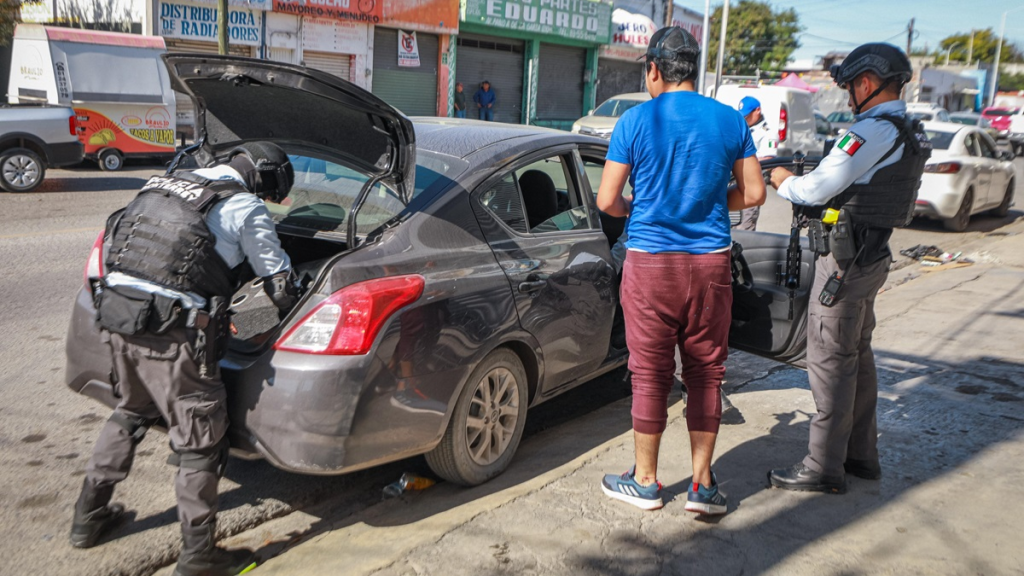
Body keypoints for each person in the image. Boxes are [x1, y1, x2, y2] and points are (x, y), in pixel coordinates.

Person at [70, 142, 302, 576]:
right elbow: (279, 284)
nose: (268, 201)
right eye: (271, 192)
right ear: (262, 178)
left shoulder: (161, 187)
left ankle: (88, 517)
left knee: (130, 413)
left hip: (119, 317)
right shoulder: (244, 207)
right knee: (200, 440)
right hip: (174, 337)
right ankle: (199, 556)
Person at [596, 26, 766, 514]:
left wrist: (642, 207)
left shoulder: (634, 120)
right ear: (693, 69)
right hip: (710, 264)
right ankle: (701, 486)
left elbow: (608, 200)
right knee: (706, 374)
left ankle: (646, 481)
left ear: (653, 69)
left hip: (650, 264)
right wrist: (710, 201)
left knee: (649, 373)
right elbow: (754, 194)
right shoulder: (731, 121)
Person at [766, 43, 930, 494]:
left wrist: (784, 182)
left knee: (829, 362)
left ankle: (823, 467)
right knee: (857, 357)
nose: (848, 97)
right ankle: (860, 456)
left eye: (849, 87)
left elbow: (818, 188)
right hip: (870, 257)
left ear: (865, 83)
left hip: (844, 263)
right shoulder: (905, 128)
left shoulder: (872, 131)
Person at [735, 95, 778, 231]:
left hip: (750, 185)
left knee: (745, 229)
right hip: (733, 182)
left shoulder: (768, 134)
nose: (744, 120)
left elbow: (768, 158)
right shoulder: (742, 129)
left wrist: (741, 161)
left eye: (747, 116)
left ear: (757, 110)